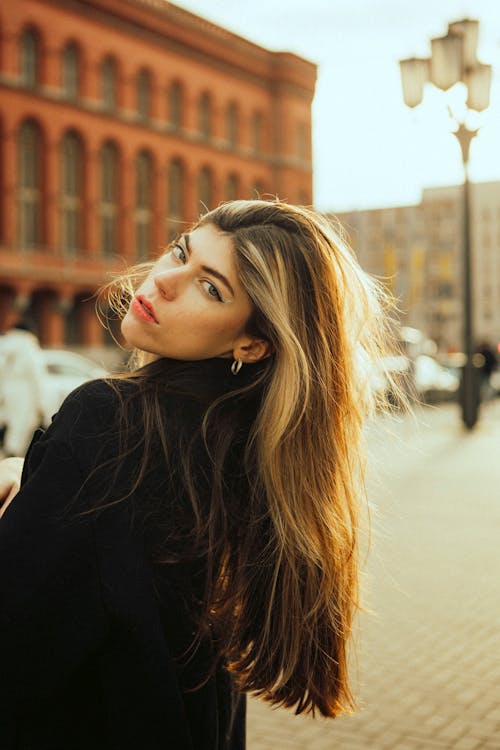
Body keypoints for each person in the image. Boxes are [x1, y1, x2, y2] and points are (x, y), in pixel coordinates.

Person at [0, 200, 398, 750]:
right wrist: (43, 478)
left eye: (211, 288)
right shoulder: (240, 455)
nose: (164, 280)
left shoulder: (111, 422)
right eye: (181, 251)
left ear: (252, 344)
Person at [0, 320, 45, 456]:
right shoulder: (28, 344)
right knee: (22, 425)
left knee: (7, 423)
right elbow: (37, 374)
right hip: (24, 391)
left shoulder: (4, 343)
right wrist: (41, 402)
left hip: (6, 389)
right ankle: (13, 455)